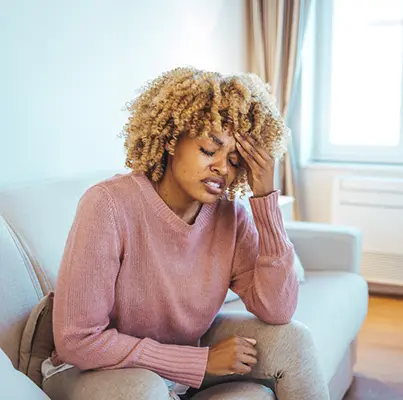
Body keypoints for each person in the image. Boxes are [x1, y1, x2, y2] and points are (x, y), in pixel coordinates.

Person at [42, 67, 329, 400]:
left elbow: (278, 309)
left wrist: (265, 201)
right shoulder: (107, 205)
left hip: (177, 358)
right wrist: (199, 362)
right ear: (170, 140)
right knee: (145, 388)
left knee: (294, 340)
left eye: (235, 160)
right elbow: (78, 341)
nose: (223, 168)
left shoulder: (230, 216)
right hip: (89, 370)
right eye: (209, 150)